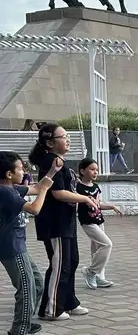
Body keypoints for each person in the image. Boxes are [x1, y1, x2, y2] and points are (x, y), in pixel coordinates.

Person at [29, 124, 97, 321]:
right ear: (50, 142)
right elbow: (58, 193)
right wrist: (84, 199)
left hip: (65, 222)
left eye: (67, 136)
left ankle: (69, 301)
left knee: (72, 261)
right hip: (54, 223)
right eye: (63, 136)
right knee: (60, 265)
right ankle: (51, 309)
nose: (68, 139)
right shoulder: (51, 162)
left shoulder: (59, 161)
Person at [0, 151, 61, 335]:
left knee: (35, 283)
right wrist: (44, 190)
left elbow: (34, 187)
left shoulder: (11, 188)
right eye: (20, 168)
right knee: (26, 289)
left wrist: (51, 172)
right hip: (11, 247)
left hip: (17, 245)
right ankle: (18, 334)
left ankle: (24, 323)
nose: (23, 171)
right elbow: (35, 208)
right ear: (9, 173)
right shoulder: (5, 192)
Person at [77, 158, 121, 290]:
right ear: (82, 171)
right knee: (106, 244)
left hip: (99, 220)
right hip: (88, 222)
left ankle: (99, 277)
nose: (95, 172)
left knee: (96, 250)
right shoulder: (78, 187)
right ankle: (90, 271)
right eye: (92, 169)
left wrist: (112, 206)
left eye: (97, 170)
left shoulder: (96, 187)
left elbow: (98, 204)